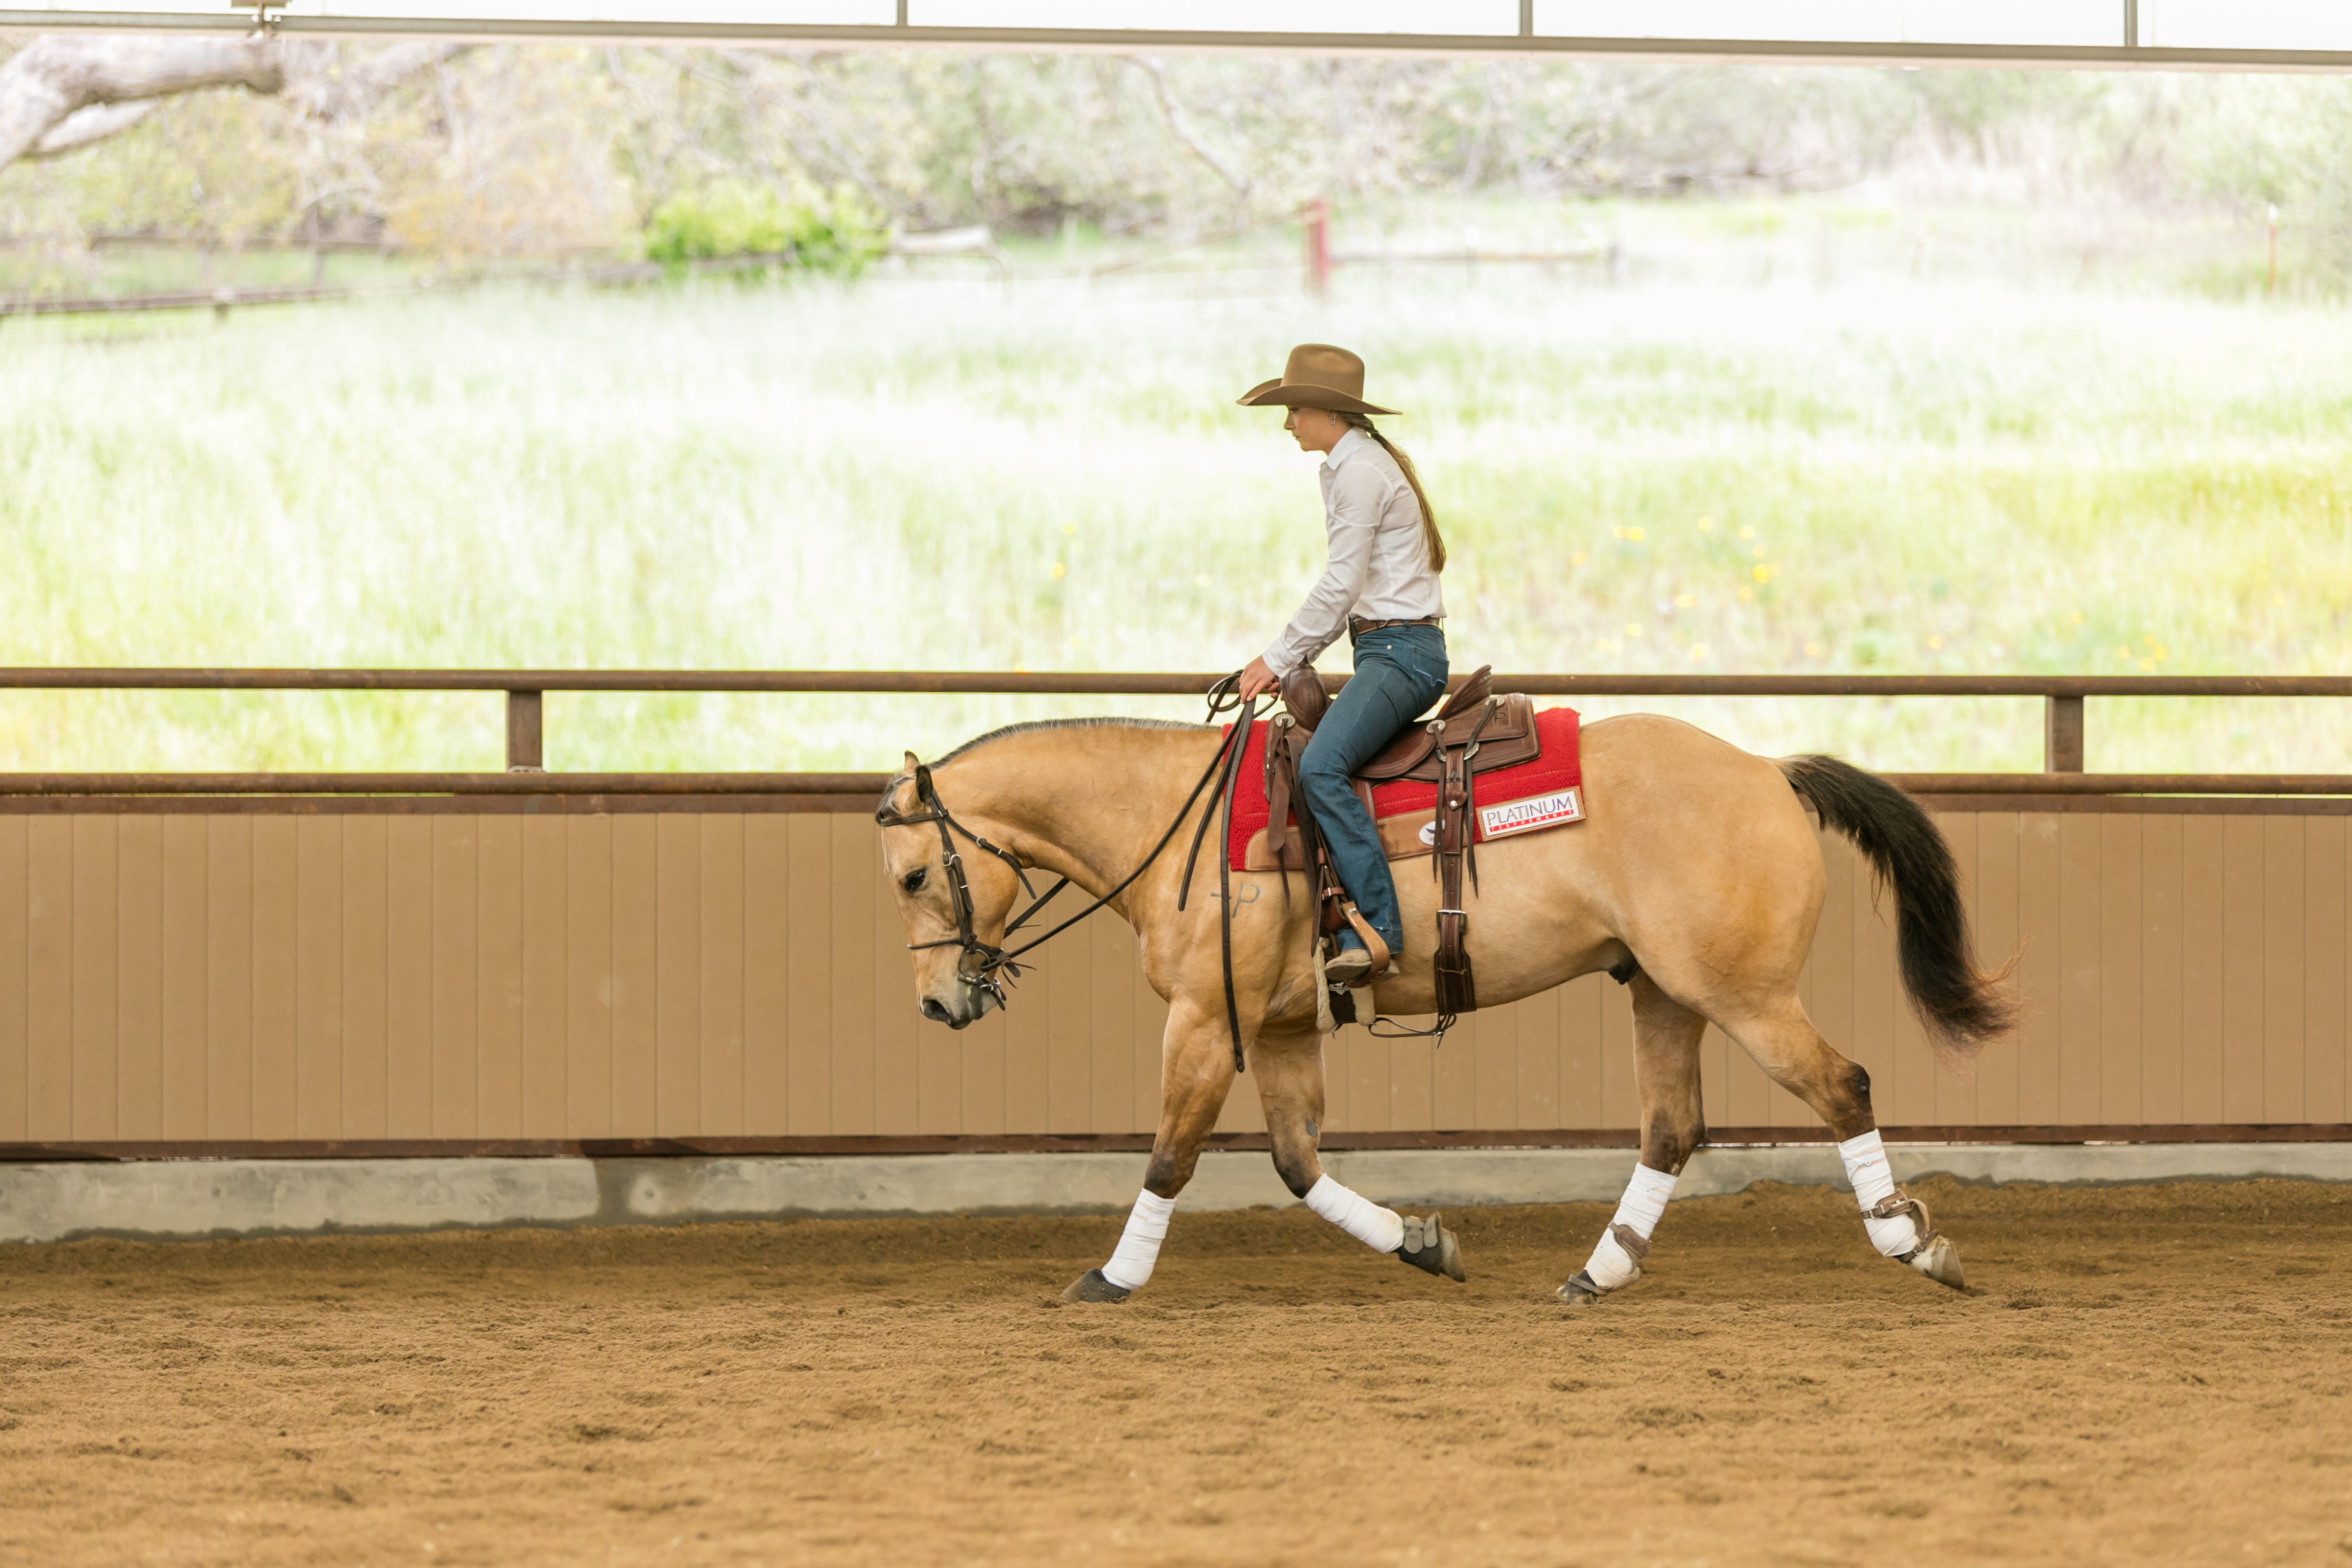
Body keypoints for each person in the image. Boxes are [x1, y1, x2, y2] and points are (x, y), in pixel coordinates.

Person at [1234, 343, 1449, 988]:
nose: (1288, 422)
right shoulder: (1354, 465)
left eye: (1295, 408)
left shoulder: (1359, 472)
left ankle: (1380, 932)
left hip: (1399, 655)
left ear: (1328, 413)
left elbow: (1339, 585)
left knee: (1323, 767)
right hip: (1388, 648)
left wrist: (1276, 658)